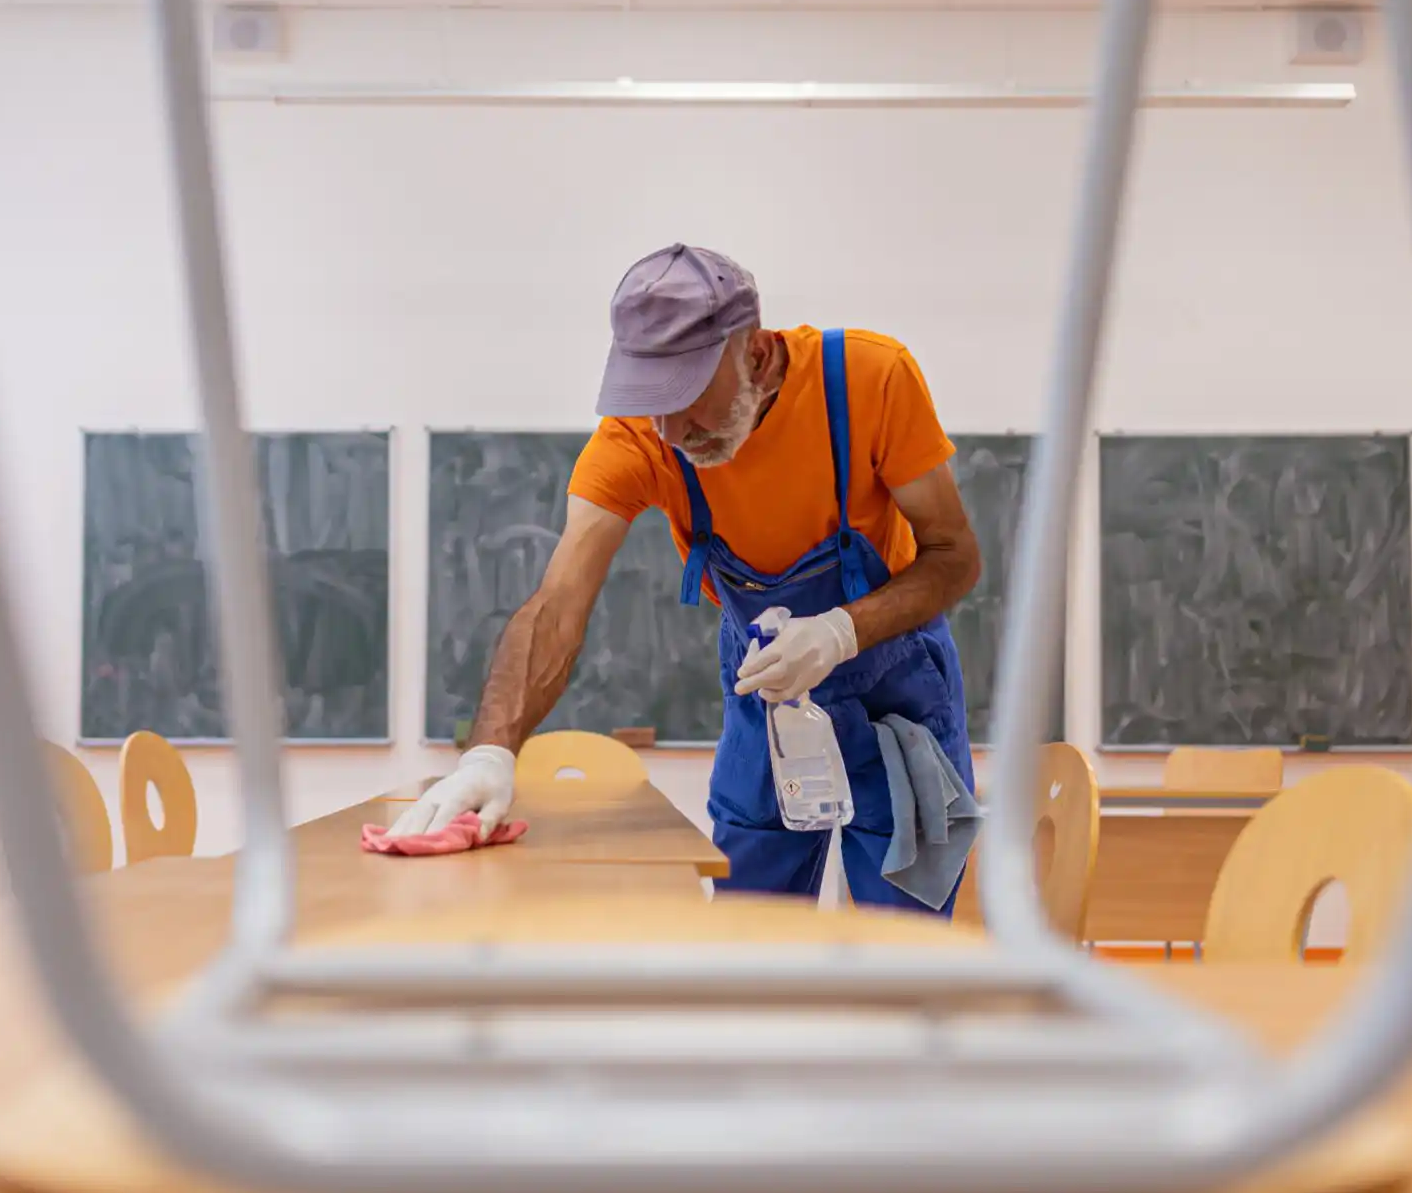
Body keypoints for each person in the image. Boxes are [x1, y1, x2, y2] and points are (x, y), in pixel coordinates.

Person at [395, 243, 984, 912]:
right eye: (650, 401)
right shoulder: (638, 441)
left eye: (688, 396)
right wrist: (490, 753)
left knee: (903, 942)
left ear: (756, 354)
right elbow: (556, 609)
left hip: (894, 693)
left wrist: (843, 631)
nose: (671, 430)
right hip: (768, 698)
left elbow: (954, 556)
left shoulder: (870, 380)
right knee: (748, 927)